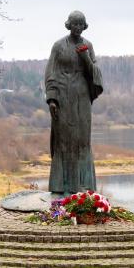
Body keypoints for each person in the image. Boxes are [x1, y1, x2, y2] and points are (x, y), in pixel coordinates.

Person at [45, 11, 103, 194]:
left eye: (81, 24)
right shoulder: (59, 46)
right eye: (74, 24)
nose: (77, 27)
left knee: (81, 140)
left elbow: (96, 74)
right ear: (69, 25)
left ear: (84, 26)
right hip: (62, 97)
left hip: (82, 97)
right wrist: (52, 98)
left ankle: (84, 186)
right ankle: (60, 185)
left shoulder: (88, 45)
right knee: (63, 140)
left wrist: (85, 57)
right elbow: (50, 72)